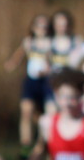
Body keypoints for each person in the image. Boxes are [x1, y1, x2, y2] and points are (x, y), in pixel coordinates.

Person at [4, 13, 54, 148]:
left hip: (47, 81)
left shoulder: (51, 42)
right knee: (27, 112)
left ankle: (45, 144)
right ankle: (25, 146)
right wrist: (11, 64)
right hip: (31, 81)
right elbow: (18, 56)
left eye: (45, 26)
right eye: (39, 26)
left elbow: (51, 61)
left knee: (49, 114)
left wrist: (48, 68)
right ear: (33, 27)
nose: (42, 29)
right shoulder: (28, 42)